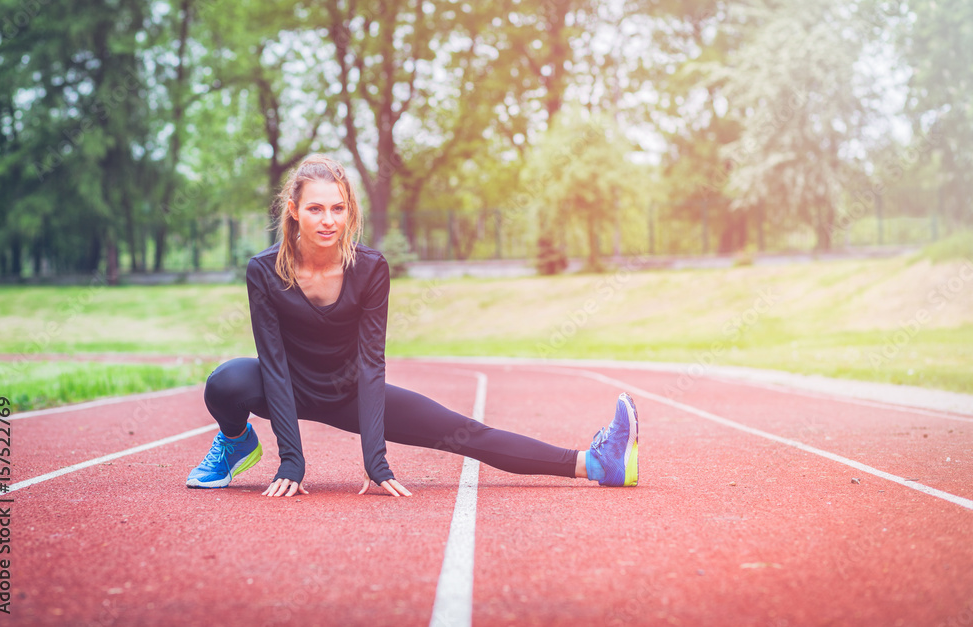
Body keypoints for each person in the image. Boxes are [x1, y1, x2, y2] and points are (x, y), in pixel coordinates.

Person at [186, 154, 639, 497]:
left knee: (467, 433)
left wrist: (375, 460)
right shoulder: (264, 271)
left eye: (338, 209)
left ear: (350, 212)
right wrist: (292, 462)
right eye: (316, 209)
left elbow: (371, 363)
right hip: (284, 384)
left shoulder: (370, 268)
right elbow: (275, 363)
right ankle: (236, 442)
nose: (328, 221)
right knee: (225, 382)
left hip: (351, 391)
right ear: (293, 211)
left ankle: (596, 463)